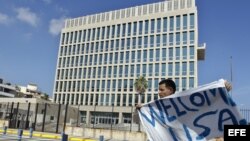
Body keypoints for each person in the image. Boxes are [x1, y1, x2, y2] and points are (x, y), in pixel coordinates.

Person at [136, 78, 232, 109]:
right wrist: (142, 108)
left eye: (161, 90)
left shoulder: (185, 103)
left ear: (170, 90)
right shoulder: (156, 106)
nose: (158, 92)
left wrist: (222, 89)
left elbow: (206, 103)